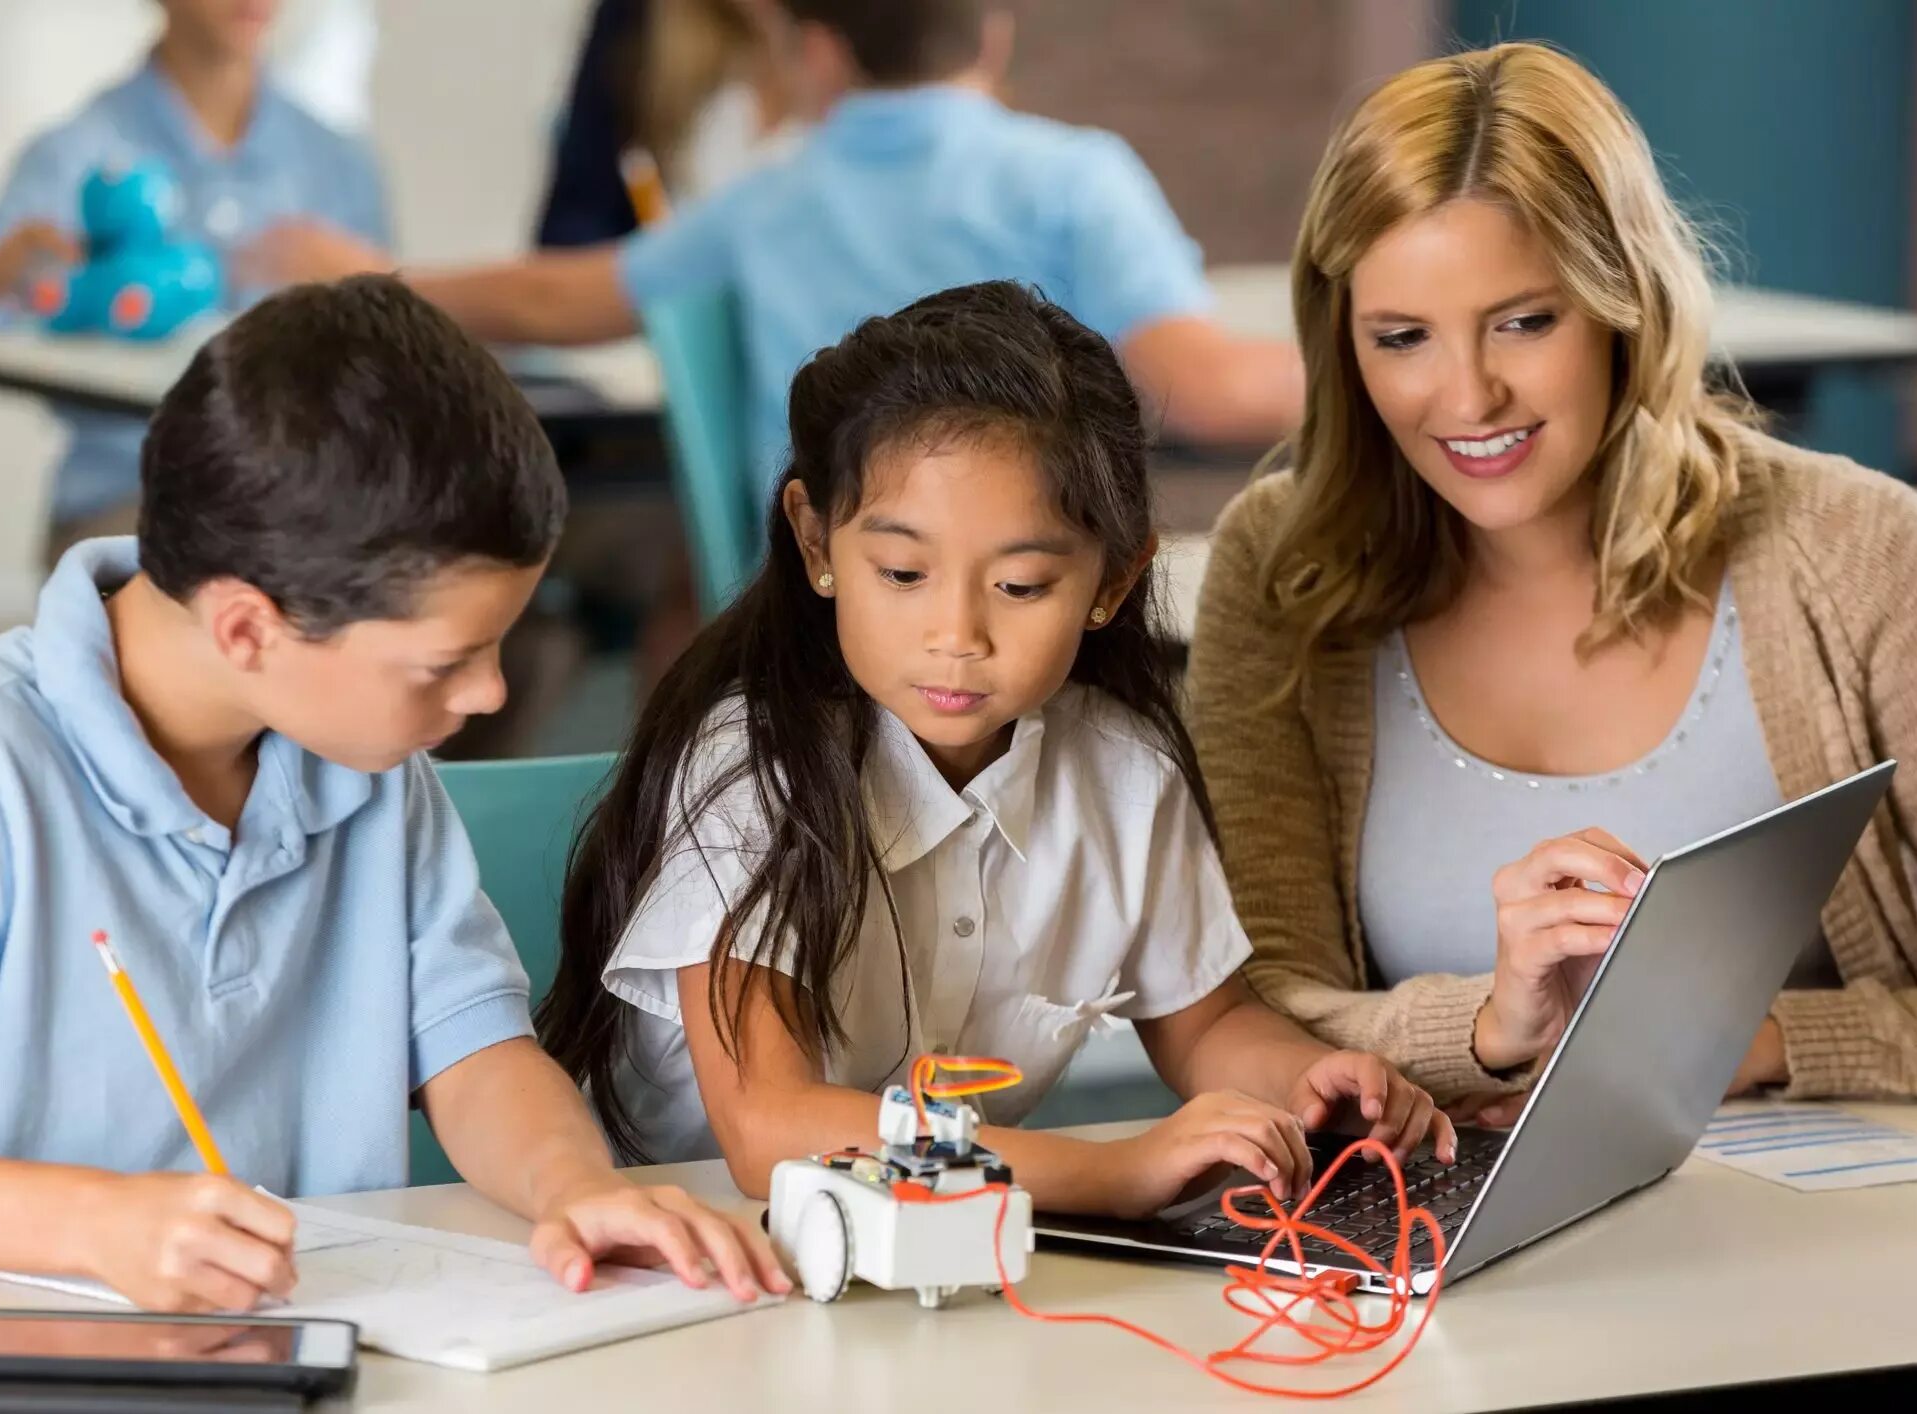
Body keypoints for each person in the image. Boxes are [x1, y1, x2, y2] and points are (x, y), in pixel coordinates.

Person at [1186, 42, 1917, 1119]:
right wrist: (1495, 1026)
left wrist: (1763, 1041)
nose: (1469, 396)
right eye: (1402, 338)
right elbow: (1261, 1013)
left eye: (1525, 322)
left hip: (1823, 1240)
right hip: (1464, 1261)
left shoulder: (1850, 549)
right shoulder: (1283, 569)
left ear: (1624, 299)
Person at [0, 276, 786, 1312]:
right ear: (247, 628)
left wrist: (576, 1185)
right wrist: (92, 1224)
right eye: (442, 663)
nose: (492, 693)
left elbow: (474, 1053)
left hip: (320, 1341)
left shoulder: (371, 771)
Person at [536, 281, 1452, 1214]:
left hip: (952, 1251)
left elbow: (1207, 1022)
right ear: (816, 539)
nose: (956, 634)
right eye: (901, 573)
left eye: (1019, 585)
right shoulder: (757, 769)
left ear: (1112, 579)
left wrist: (1309, 1080)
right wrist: (1118, 1173)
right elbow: (767, 1128)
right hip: (696, 1251)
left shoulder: (1123, 769)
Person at [244, 0, 1303, 489]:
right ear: (994, 31)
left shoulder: (767, 201)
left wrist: (361, 274)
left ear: (818, 49)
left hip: (800, 620)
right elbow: (1204, 389)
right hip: (1021, 622)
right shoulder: (1074, 174)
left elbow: (552, 299)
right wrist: (1392, 355)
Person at [0, 0, 391, 559]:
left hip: (311, 511)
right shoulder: (75, 154)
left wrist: (374, 285)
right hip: (133, 504)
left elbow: (399, 382)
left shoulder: (338, 164)